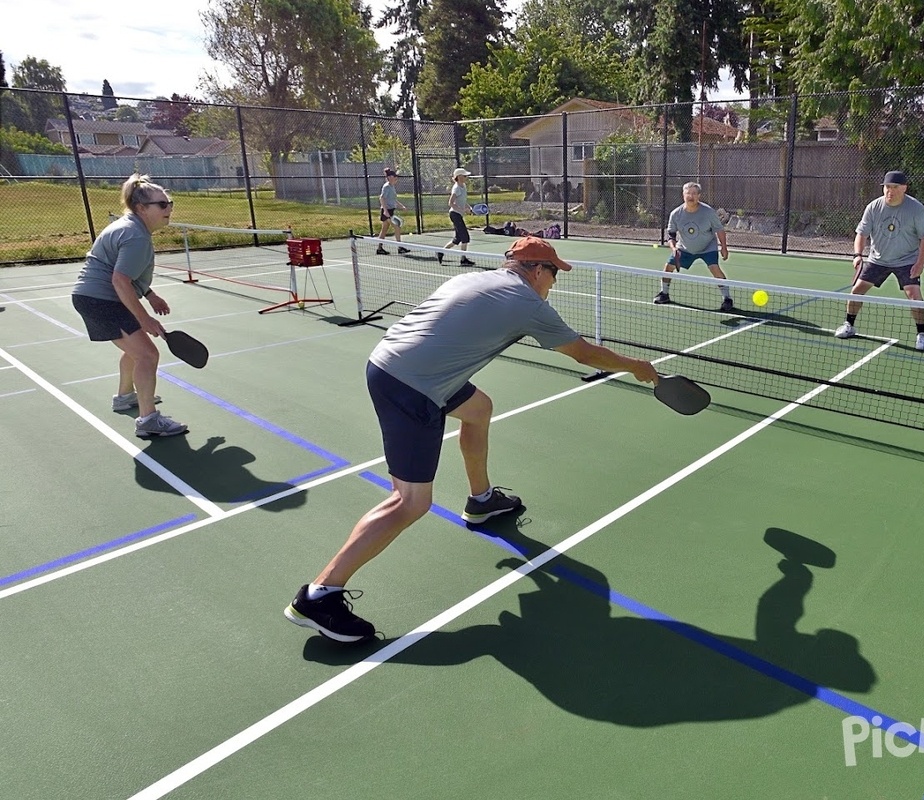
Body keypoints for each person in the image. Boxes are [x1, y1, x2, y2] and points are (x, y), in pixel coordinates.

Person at [285, 236, 659, 643]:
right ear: (536, 270)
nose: (554, 282)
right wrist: (635, 365)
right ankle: (320, 595)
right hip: (413, 385)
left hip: (394, 362)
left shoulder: (472, 279)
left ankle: (481, 501)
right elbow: (583, 354)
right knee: (410, 502)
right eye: (553, 274)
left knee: (478, 409)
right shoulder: (526, 301)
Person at [70, 173, 187, 439]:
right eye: (161, 204)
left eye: (170, 202)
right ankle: (148, 421)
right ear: (141, 208)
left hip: (94, 298)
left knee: (136, 350)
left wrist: (149, 294)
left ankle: (124, 397)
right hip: (103, 300)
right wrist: (144, 318)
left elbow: (124, 272)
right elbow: (120, 280)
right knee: (148, 355)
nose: (168, 209)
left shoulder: (129, 226)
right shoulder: (136, 236)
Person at [835, 170, 924, 351]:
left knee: (915, 297)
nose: (890, 191)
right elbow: (861, 233)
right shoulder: (873, 207)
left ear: (904, 188)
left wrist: (919, 264)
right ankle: (849, 325)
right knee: (856, 291)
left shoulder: (916, 209)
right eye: (887, 187)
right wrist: (858, 255)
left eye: (895, 187)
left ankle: (921, 335)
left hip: (906, 260)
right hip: (877, 259)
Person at [653, 182, 733, 312]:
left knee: (715, 269)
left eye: (694, 193)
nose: (691, 196)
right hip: (685, 248)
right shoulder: (675, 214)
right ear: (683, 195)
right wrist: (674, 250)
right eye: (688, 193)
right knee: (668, 268)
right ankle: (664, 294)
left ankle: (727, 299)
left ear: (699, 196)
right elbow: (671, 235)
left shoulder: (708, 212)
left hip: (708, 247)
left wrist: (724, 247)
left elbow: (719, 229)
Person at [438, 167, 475, 266]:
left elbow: (463, 200)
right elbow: (450, 203)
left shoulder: (463, 186)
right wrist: (463, 210)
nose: (466, 177)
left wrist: (469, 208)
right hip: (455, 215)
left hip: (458, 214)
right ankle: (463, 260)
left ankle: (441, 252)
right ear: (459, 177)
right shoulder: (456, 188)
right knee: (465, 238)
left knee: (457, 239)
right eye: (464, 175)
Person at [376, 167, 409, 255]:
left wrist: (402, 206)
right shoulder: (386, 187)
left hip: (391, 210)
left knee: (384, 230)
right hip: (387, 211)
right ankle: (400, 247)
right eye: (394, 177)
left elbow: (393, 199)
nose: (396, 178)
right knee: (397, 227)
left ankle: (379, 248)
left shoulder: (392, 186)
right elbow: (382, 198)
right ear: (390, 177)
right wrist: (385, 211)